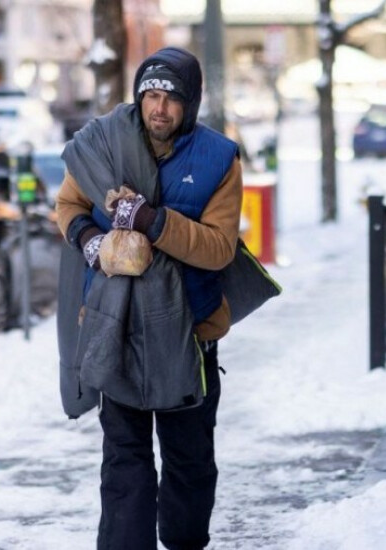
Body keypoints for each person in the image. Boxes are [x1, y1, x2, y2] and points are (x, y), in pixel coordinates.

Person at [54, 46, 243, 550]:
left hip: (189, 335)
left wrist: (152, 222)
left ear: (191, 103)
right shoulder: (104, 143)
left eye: (171, 98)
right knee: (124, 460)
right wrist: (88, 240)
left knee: (188, 461)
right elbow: (69, 203)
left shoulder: (218, 158)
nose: (159, 108)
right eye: (151, 95)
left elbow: (220, 249)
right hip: (114, 326)